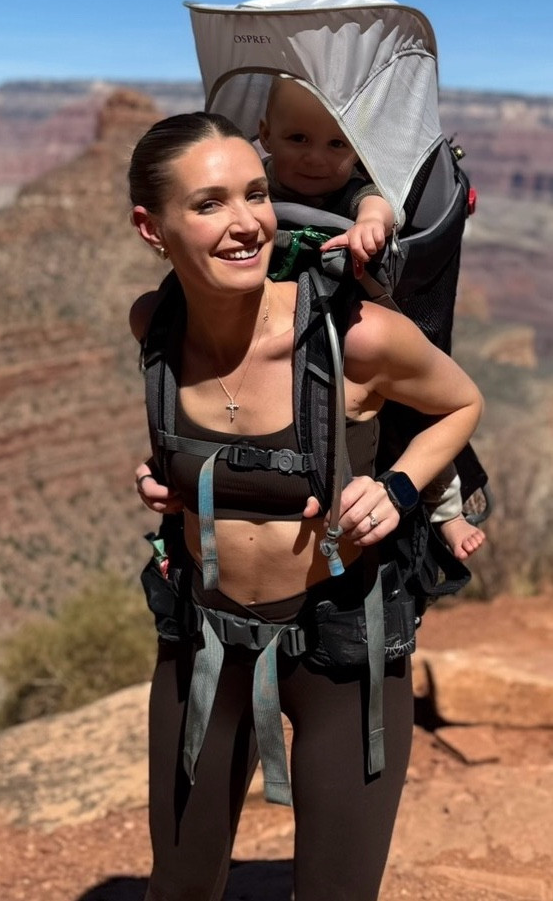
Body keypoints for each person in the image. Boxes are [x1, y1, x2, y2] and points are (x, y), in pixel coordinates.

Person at [129, 112, 484, 901]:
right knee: (179, 885)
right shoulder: (155, 328)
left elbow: (460, 402)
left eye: (255, 194)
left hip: (342, 646)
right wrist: (164, 477)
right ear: (151, 228)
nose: (246, 222)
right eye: (209, 203)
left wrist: (397, 487)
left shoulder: (354, 338)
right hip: (202, 641)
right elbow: (184, 445)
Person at [257, 75, 485, 561]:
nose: (317, 158)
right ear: (265, 135)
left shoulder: (354, 191)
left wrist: (370, 226)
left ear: (357, 151)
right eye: (298, 138)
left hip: (352, 321)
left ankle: (447, 511)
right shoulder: (257, 184)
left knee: (413, 418)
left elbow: (377, 206)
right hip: (276, 324)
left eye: (336, 144)